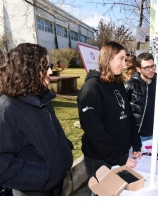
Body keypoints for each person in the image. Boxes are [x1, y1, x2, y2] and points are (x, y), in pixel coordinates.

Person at [0, 43, 74, 196]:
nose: (51, 71)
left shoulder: (42, 98)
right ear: (28, 70)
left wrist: (65, 155)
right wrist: (45, 175)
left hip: (55, 186)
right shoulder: (8, 109)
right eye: (45, 66)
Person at [77, 41, 142, 180]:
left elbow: (128, 116)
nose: (124, 64)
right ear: (108, 58)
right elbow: (94, 131)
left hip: (121, 154)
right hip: (101, 160)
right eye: (121, 58)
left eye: (125, 59)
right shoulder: (91, 89)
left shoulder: (117, 84)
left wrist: (136, 144)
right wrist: (119, 158)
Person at [124, 52, 157, 142]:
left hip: (154, 133)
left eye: (152, 66)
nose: (151, 70)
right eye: (146, 67)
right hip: (136, 136)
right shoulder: (130, 85)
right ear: (138, 69)